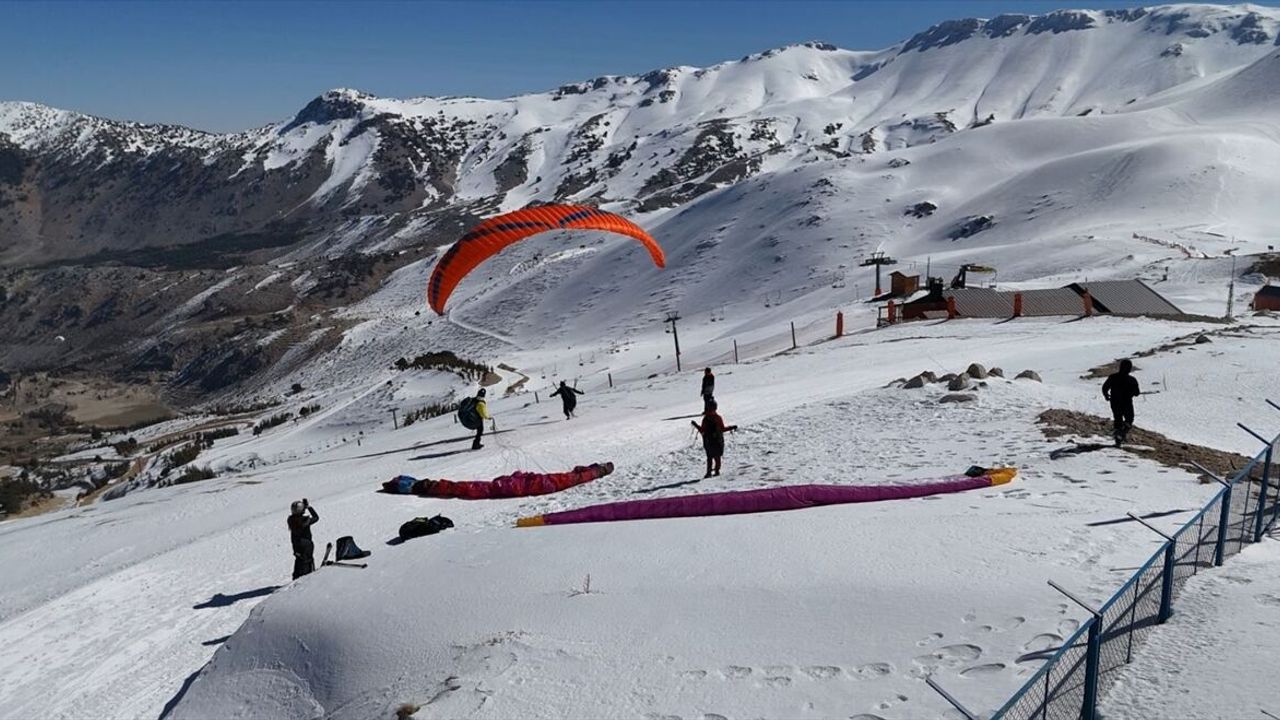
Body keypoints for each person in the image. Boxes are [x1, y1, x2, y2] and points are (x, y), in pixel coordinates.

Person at [692, 399, 737, 478]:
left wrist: (695, 425)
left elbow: (702, 430)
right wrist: (731, 427)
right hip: (718, 441)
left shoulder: (706, 419)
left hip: (708, 441)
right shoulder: (718, 418)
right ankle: (717, 471)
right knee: (717, 456)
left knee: (709, 457)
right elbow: (722, 429)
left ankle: (709, 472)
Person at [1102, 358, 1140, 443]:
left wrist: (1106, 395)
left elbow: (1105, 388)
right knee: (1129, 419)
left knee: (1118, 418)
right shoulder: (1132, 380)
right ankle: (1121, 433)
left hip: (1115, 402)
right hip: (1127, 403)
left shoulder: (1113, 377)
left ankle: (1118, 438)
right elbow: (1137, 393)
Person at [287, 499, 320, 580]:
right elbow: (316, 517)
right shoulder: (304, 520)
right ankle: (307, 578)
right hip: (306, 545)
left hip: (296, 545)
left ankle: (296, 577)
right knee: (307, 561)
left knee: (299, 561)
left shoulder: (291, 520)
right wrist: (308, 507)